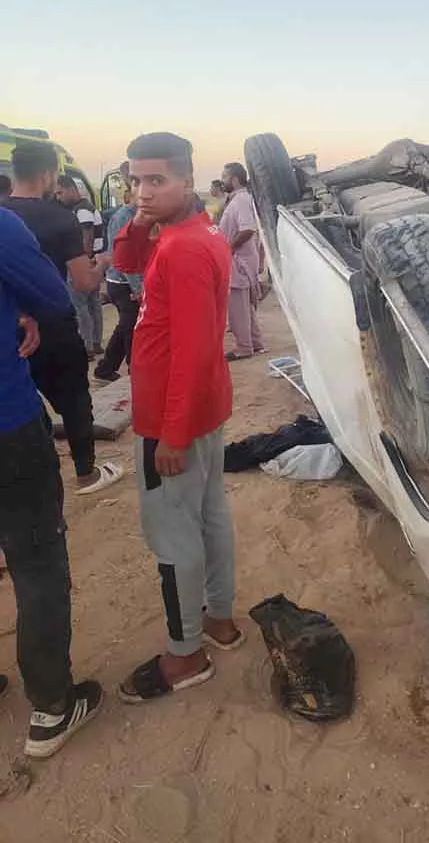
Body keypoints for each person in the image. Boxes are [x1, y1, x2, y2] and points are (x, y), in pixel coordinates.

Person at [113, 132, 242, 704]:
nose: (142, 192)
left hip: (174, 415)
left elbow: (192, 350)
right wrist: (139, 222)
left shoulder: (184, 248)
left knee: (173, 534)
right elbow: (125, 262)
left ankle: (185, 653)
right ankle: (219, 619)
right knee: (209, 515)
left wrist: (172, 432)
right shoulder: (193, 231)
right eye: (135, 180)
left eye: (156, 180)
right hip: (202, 407)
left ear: (188, 179)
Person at [0, 206, 103, 757]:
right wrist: (20, 309)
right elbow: (54, 298)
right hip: (7, 426)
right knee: (36, 558)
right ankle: (52, 706)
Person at [2, 141, 123, 494]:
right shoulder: (59, 218)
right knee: (74, 401)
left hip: (12, 325)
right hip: (53, 324)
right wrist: (103, 263)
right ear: (47, 174)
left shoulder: (3, 214)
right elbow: (83, 282)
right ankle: (86, 474)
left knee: (26, 401)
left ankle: (40, 466)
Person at [94, 163, 143, 382]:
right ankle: (135, 369)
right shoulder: (125, 217)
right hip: (123, 282)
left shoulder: (138, 216)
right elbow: (125, 257)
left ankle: (105, 369)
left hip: (127, 280)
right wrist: (138, 288)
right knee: (131, 326)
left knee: (126, 326)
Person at [219, 162, 266, 360]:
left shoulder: (240, 200)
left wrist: (228, 248)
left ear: (235, 179)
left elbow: (247, 229)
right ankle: (255, 343)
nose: (222, 181)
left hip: (238, 261)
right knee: (246, 305)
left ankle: (243, 347)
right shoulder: (240, 199)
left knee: (237, 306)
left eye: (224, 177)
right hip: (241, 259)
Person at [55, 175, 105, 358]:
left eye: (60, 193)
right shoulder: (88, 207)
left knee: (81, 306)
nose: (58, 197)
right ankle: (96, 343)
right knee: (93, 305)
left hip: (85, 262)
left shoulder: (82, 210)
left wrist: (82, 260)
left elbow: (87, 238)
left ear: (71, 189)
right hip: (93, 261)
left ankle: (87, 346)